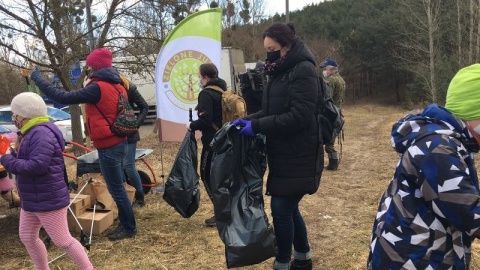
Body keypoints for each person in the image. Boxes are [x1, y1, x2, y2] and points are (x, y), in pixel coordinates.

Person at [367, 63, 480, 269]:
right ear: (473, 112)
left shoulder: (448, 141)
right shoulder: (438, 149)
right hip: (413, 259)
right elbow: (470, 214)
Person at [233, 23, 323, 270]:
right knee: (289, 208)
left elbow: (299, 116)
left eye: (272, 49)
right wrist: (248, 121)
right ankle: (303, 258)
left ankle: (282, 262)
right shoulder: (279, 71)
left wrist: (258, 126)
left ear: (286, 45)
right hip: (282, 152)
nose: (268, 54)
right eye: (266, 50)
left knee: (281, 209)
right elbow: (273, 110)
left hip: (300, 152)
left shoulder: (303, 70)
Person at [30, 48, 137, 241]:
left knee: (116, 188)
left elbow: (61, 97)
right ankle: (127, 222)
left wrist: (37, 77)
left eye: (88, 65)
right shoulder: (119, 84)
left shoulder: (97, 88)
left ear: (94, 66)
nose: (86, 68)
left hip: (109, 145)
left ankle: (129, 227)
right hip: (120, 141)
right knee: (118, 185)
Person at [0, 92, 94, 269]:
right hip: (33, 198)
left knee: (63, 240)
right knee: (27, 236)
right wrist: (11, 153)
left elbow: (36, 166)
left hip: (47, 198)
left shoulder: (41, 133)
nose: (13, 117)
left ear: (25, 114)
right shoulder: (29, 132)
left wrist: (6, 159)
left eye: (15, 113)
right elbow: (28, 158)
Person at [186, 63, 226, 227]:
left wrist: (192, 126)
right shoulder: (222, 90)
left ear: (205, 77)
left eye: (200, 76)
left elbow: (206, 120)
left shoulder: (206, 94)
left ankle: (220, 213)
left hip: (212, 142)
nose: (199, 79)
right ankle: (226, 209)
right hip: (224, 139)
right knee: (220, 176)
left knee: (207, 174)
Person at [119, 75, 149, 207]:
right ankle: (127, 195)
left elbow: (144, 107)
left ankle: (140, 196)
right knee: (119, 167)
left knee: (128, 166)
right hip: (116, 132)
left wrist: (136, 124)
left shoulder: (129, 87)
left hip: (130, 132)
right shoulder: (108, 88)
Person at [320, 58, 345, 170]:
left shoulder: (332, 81)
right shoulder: (341, 80)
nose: (324, 71)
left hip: (331, 113)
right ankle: (333, 163)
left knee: (329, 141)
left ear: (331, 69)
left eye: (325, 69)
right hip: (338, 112)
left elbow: (327, 97)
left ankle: (333, 164)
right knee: (331, 139)